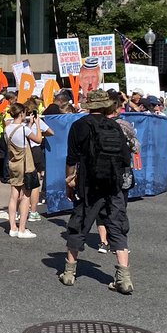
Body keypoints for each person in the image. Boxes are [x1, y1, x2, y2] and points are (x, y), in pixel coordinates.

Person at [58, 89, 133, 294]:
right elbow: (126, 158)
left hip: (88, 183)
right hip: (114, 183)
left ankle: (70, 272)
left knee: (79, 223)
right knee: (117, 225)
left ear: (89, 106)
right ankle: (124, 277)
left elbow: (71, 159)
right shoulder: (115, 126)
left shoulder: (79, 125)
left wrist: (70, 181)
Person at [4, 102, 43, 239]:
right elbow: (38, 140)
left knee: (14, 195)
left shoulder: (7, 128)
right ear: (21, 114)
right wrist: (37, 124)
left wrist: (29, 125)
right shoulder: (23, 129)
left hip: (14, 163)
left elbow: (19, 137)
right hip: (26, 165)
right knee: (26, 196)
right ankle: (22, 228)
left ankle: (12, 227)